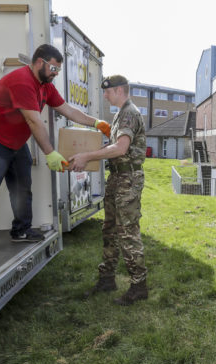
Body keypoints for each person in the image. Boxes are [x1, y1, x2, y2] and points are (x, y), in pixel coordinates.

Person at [0, 44, 111, 254]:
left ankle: (21, 231)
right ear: (39, 62)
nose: (55, 74)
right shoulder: (22, 81)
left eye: (58, 70)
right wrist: (50, 152)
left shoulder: (45, 85)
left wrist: (96, 122)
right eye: (53, 69)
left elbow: (67, 109)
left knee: (22, 188)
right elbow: (34, 121)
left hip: (14, 143)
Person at [71, 75, 148, 306]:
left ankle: (139, 286)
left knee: (127, 233)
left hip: (128, 179)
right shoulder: (119, 115)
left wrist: (88, 156)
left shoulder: (129, 113)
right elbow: (114, 147)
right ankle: (107, 279)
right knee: (110, 230)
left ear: (119, 91)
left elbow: (121, 148)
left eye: (108, 92)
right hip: (117, 177)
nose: (105, 96)